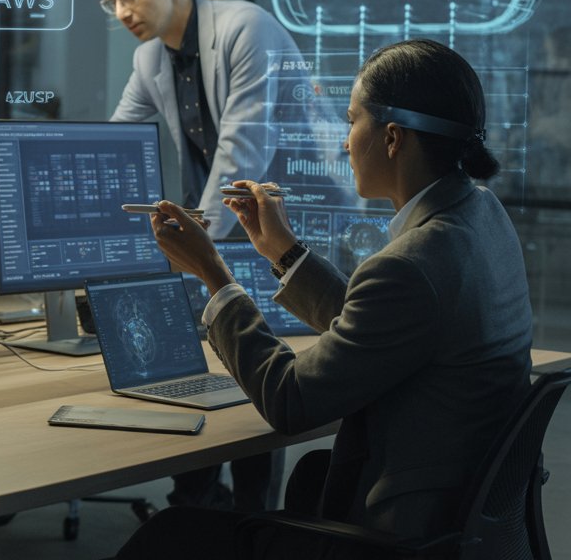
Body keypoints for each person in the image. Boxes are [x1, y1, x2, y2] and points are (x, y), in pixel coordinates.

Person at [114, 39, 533, 558]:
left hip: (400, 537)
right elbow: (384, 331)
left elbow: (290, 401)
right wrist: (283, 252)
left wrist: (212, 273)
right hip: (457, 522)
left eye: (353, 121)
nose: (342, 141)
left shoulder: (412, 265)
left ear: (393, 138)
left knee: (169, 534)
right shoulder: (481, 216)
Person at [102, 0, 299, 510]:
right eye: (110, 0)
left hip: (288, 218)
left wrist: (197, 245)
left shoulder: (245, 26)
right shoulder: (150, 56)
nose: (121, 11)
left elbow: (242, 148)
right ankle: (195, 502)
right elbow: (118, 141)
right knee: (221, 350)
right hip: (227, 225)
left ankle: (251, 518)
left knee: (261, 357)